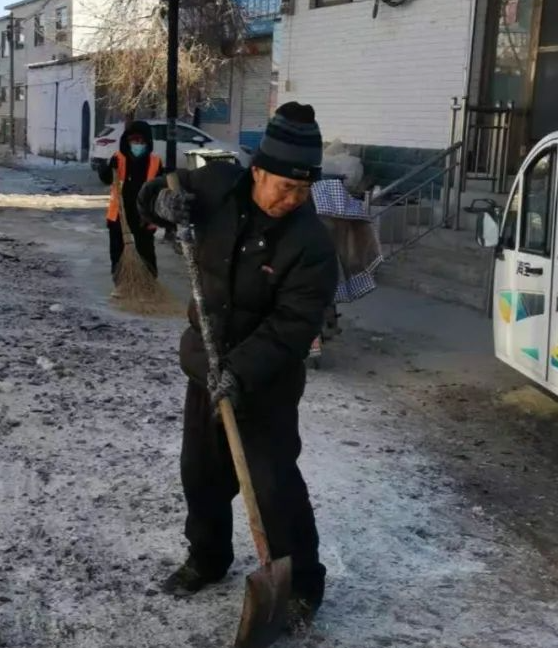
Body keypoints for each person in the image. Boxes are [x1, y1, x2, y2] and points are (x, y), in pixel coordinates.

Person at [137, 102, 338, 629]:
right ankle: (207, 558)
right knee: (201, 474)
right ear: (259, 171)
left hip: (266, 381)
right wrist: (161, 202)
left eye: (304, 190)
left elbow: (294, 325)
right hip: (205, 365)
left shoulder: (312, 244)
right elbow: (152, 195)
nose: (293, 199)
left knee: (274, 487)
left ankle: (301, 586)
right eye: (286, 187)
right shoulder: (216, 186)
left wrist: (241, 372)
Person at [107, 121, 163, 295]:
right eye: (134, 141)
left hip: (143, 214)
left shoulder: (155, 162)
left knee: (146, 251)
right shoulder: (118, 158)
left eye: (141, 141)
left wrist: (154, 217)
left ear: (148, 142)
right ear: (127, 141)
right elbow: (106, 178)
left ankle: (148, 285)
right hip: (120, 213)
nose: (137, 144)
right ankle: (121, 285)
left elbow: (159, 189)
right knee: (118, 251)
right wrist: (108, 168)